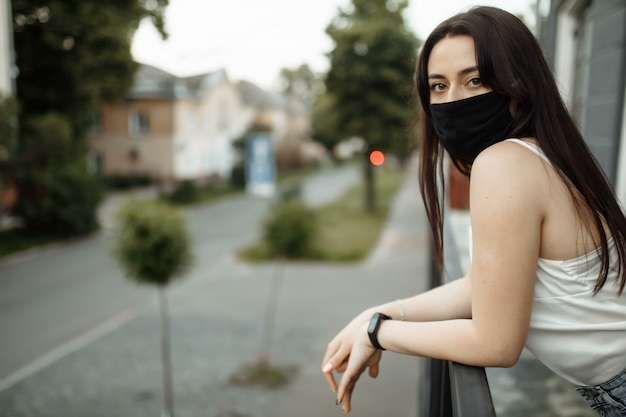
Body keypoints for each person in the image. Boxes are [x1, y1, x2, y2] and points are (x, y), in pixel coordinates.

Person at [321, 6, 626, 416]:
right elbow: (486, 285)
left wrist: (379, 334)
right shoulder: (543, 154)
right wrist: (378, 315)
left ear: (518, 84)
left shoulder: (504, 163)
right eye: (439, 86)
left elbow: (495, 343)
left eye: (475, 80)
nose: (453, 100)